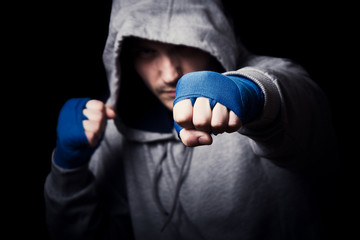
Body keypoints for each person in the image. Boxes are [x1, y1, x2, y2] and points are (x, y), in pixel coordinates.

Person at [44, 0, 338, 239]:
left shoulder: (270, 76)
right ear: (126, 56)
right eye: (147, 52)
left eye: (183, 45)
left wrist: (254, 95)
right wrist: (68, 170)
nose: (170, 73)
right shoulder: (114, 130)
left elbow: (313, 122)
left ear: (214, 40)